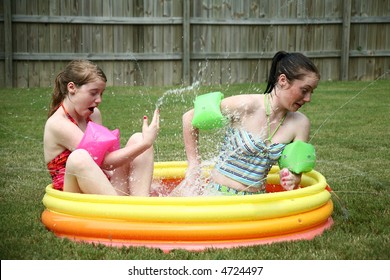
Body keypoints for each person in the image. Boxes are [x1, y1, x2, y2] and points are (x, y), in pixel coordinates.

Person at [175, 51, 320, 196]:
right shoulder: (247, 105)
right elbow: (189, 117)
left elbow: (295, 171)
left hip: (257, 200)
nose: (308, 98)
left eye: (311, 92)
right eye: (304, 90)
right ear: (283, 80)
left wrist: (293, 178)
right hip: (218, 194)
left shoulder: (300, 124)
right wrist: (194, 165)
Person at [44, 60, 159, 196]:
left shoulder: (93, 115)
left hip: (102, 191)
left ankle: (142, 205)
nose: (99, 100)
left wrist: (128, 176)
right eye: (93, 93)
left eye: (101, 93)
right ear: (71, 88)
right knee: (79, 158)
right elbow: (105, 161)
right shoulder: (58, 124)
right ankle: (121, 212)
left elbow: (105, 165)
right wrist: (146, 143)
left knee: (138, 138)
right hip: (77, 199)